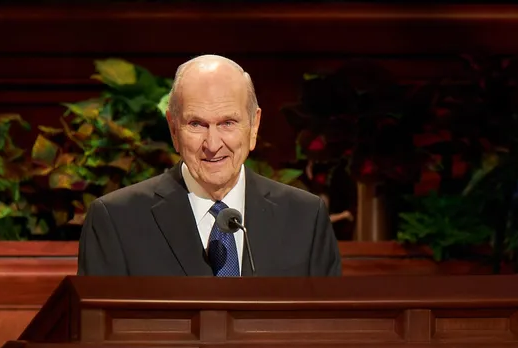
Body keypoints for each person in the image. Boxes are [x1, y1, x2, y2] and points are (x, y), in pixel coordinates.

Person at [77, 54, 342, 277]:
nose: (213, 144)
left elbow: (327, 320)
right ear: (173, 129)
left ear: (254, 126)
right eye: (196, 124)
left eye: (227, 123)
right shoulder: (116, 221)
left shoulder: (305, 218)